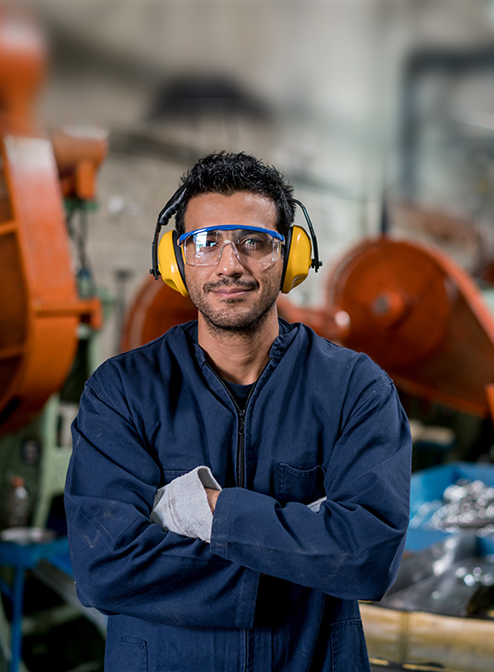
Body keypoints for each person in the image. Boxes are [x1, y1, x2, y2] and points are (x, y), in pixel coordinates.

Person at [65, 151, 411, 672]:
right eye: (205, 243)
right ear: (176, 260)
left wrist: (211, 510)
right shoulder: (122, 391)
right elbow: (105, 568)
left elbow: (367, 556)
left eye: (254, 242)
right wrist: (303, 555)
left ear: (291, 256)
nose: (229, 265)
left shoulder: (354, 388)